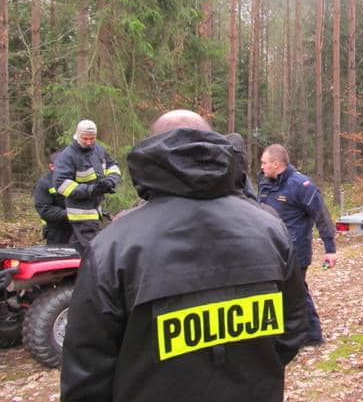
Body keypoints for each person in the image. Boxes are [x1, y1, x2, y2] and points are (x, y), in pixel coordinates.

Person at [60, 110, 308, 402]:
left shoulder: (112, 247)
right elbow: (292, 329)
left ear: (151, 155)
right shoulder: (269, 228)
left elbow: (86, 374)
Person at [258, 144, 337, 345]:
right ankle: (298, 334)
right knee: (284, 292)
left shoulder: (301, 185)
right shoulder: (264, 183)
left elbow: (322, 216)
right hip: (271, 249)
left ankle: (309, 335)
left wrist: (330, 249)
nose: (262, 167)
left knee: (296, 291)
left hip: (295, 250)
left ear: (276, 164)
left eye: (264, 163)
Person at [53, 120, 121, 256]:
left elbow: (112, 165)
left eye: (92, 138)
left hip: (96, 208)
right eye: (85, 138)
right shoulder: (67, 156)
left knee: (79, 248)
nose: (89, 142)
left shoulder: (99, 149)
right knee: (96, 250)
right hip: (80, 212)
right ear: (77, 135)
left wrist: (111, 181)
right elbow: (61, 185)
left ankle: (74, 273)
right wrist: (91, 190)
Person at [32, 151, 73, 245]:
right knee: (60, 258)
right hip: (56, 231)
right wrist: (71, 213)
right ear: (51, 167)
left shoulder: (76, 178)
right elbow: (44, 209)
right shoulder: (44, 183)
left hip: (80, 228)